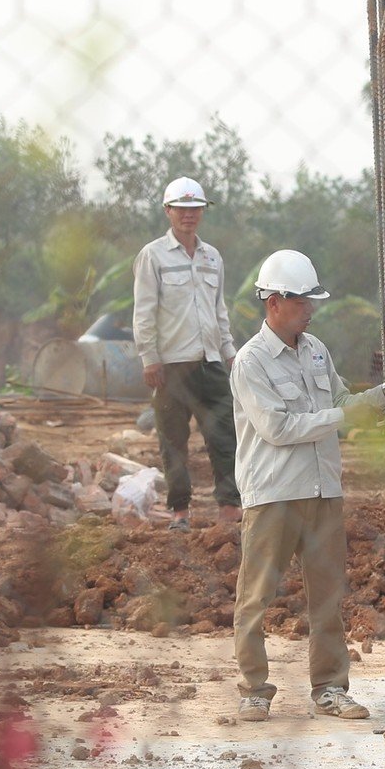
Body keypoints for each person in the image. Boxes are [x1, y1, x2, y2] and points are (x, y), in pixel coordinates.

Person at [228, 249, 385, 723]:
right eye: (302, 302)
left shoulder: (316, 350)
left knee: (328, 597)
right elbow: (279, 428)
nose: (310, 310)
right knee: (256, 596)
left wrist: (384, 393)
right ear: (274, 302)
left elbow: (340, 400)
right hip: (272, 493)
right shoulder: (250, 362)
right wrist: (342, 416)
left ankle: (330, 688)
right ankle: (254, 688)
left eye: (312, 301)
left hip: (322, 491)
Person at [131, 176, 242, 528]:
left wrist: (230, 352)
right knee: (173, 440)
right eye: (181, 208)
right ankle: (180, 511)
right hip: (172, 367)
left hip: (210, 363)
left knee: (224, 435)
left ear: (202, 212)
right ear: (168, 211)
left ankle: (229, 507)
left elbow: (218, 310)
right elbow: (144, 311)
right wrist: (149, 358)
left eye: (195, 209)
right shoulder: (153, 256)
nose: (188, 215)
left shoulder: (213, 258)